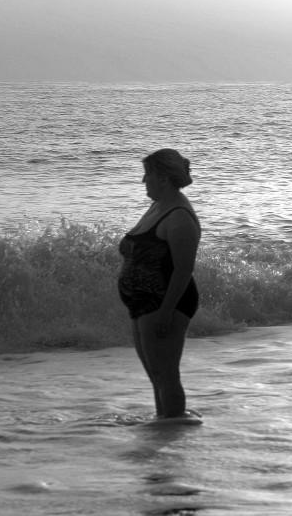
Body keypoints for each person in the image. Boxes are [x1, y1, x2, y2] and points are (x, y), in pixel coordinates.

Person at [118, 149, 201, 420]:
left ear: (163, 178)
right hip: (143, 302)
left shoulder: (179, 217)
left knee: (166, 373)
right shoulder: (158, 206)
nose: (144, 180)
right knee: (156, 375)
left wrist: (165, 312)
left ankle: (173, 429)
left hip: (166, 301)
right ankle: (164, 424)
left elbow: (183, 270)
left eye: (148, 174)